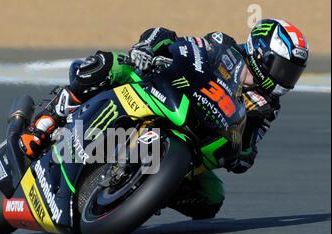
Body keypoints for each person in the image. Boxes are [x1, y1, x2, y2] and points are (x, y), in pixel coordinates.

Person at [18, 19, 309, 219]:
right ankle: (42, 125)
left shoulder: (267, 108)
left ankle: (145, 192)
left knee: (211, 199)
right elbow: (173, 39)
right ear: (261, 53)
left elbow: (247, 154)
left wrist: (238, 155)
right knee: (108, 64)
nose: (285, 79)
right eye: (282, 67)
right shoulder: (223, 46)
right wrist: (148, 49)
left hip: (191, 143)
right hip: (160, 93)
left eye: (292, 72)